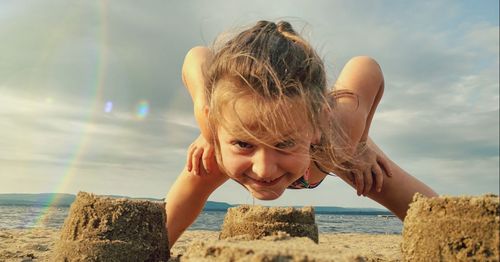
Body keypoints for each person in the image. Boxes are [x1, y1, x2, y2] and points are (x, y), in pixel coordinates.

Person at [165, 20, 437, 248]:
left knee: (433, 215)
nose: (264, 170)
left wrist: (362, 143)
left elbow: (366, 67)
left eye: (283, 144)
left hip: (331, 148)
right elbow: (196, 56)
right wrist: (208, 125)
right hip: (230, 129)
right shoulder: (212, 133)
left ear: (317, 127)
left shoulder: (340, 130)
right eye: (245, 144)